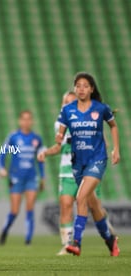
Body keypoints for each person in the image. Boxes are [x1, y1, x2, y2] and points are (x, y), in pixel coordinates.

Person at [38, 91, 114, 255]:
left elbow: (104, 144)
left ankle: (109, 233)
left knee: (95, 208)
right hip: (66, 171)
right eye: (65, 102)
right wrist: (46, 152)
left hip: (86, 170)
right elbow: (59, 147)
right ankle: (67, 245)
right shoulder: (59, 124)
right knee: (65, 205)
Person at [56, 72, 120, 256]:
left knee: (80, 198)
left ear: (91, 89)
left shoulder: (101, 108)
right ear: (75, 89)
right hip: (78, 162)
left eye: (85, 85)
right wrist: (59, 136)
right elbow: (60, 131)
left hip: (97, 159)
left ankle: (76, 243)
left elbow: (113, 126)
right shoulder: (68, 111)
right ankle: (109, 239)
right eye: (78, 85)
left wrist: (116, 149)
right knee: (94, 206)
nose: (81, 89)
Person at [0, 110, 45, 245]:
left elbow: (41, 160)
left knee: (30, 208)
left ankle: (28, 240)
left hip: (31, 177)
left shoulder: (37, 139)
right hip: (16, 177)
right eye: (24, 119)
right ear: (20, 121)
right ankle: (5, 231)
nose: (26, 122)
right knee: (15, 210)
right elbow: (2, 153)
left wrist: (43, 177)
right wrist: (2, 168)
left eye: (29, 119)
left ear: (32, 121)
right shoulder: (13, 137)